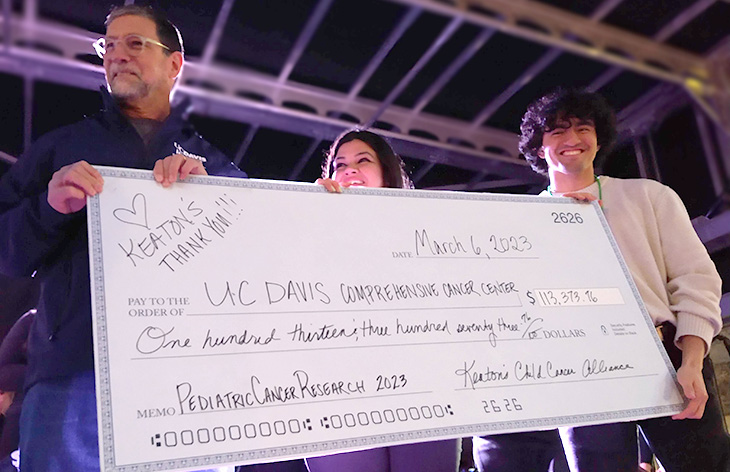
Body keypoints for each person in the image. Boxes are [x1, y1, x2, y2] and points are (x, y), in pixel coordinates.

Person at [0, 5, 248, 471]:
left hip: (192, 387)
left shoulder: (217, 167)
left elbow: (260, 264)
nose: (117, 56)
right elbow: (7, 253)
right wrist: (48, 208)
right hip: (75, 382)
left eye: (135, 44)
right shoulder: (60, 150)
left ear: (175, 64)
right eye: (108, 46)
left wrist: (215, 202)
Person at [474, 88, 730, 472]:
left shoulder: (648, 196)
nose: (572, 140)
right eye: (558, 131)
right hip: (579, 369)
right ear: (539, 147)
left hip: (668, 358)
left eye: (583, 128)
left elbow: (696, 279)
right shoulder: (522, 222)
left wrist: (692, 360)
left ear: (599, 138)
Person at [308, 129, 460, 472]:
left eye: (363, 161)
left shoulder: (428, 231)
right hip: (336, 394)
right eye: (339, 165)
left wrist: (572, 220)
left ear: (387, 172)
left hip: (423, 392)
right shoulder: (310, 228)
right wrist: (310, 216)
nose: (349, 170)